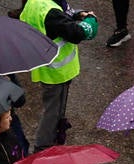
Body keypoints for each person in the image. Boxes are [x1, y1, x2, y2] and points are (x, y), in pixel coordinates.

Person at [19, 0, 90, 147]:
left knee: (54, 109)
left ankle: (53, 136)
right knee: (53, 112)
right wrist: (90, 22)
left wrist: (75, 14)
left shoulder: (34, 3)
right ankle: (43, 146)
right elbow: (76, 33)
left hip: (46, 68)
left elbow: (62, 16)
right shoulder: (50, 11)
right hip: (57, 72)